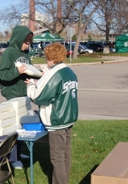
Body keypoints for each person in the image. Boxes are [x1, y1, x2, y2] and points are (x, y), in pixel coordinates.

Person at [25, 42, 78, 184]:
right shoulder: (69, 72)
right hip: (69, 118)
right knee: (66, 154)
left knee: (57, 157)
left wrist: (30, 86)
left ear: (50, 57)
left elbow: (38, 97)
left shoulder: (54, 74)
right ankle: (65, 180)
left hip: (57, 120)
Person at [0, 25, 36, 169]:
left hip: (24, 93)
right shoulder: (9, 53)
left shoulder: (26, 54)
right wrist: (17, 71)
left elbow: (29, 70)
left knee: (22, 126)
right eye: (26, 42)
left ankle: (19, 152)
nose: (28, 45)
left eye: (30, 43)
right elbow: (2, 73)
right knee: (14, 127)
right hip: (12, 94)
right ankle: (12, 158)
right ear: (19, 40)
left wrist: (36, 75)